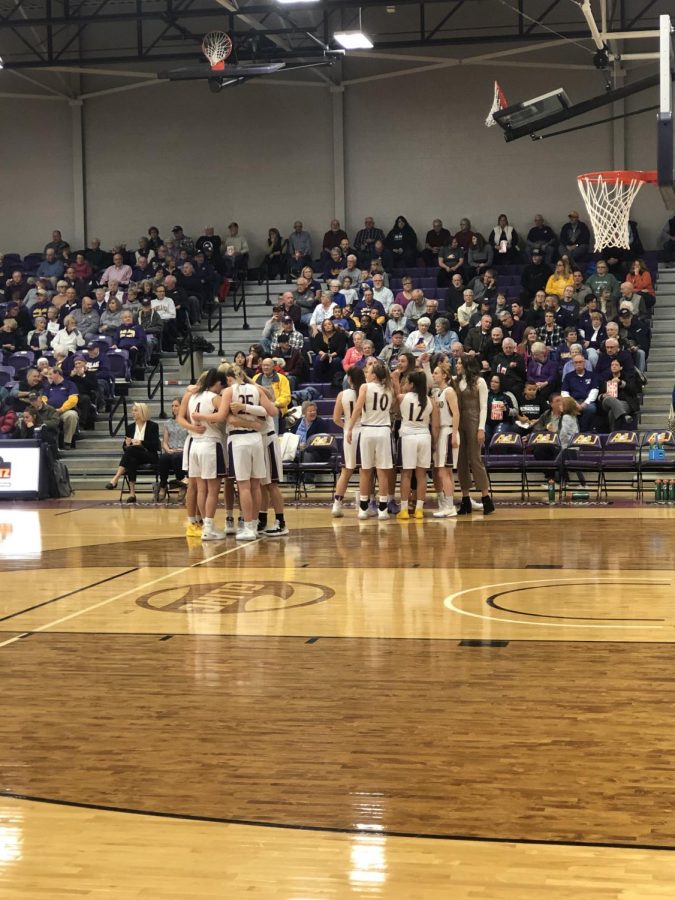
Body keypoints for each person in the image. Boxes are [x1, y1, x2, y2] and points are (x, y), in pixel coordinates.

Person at [346, 360, 395, 520]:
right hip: (384, 431)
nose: (366, 373)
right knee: (383, 472)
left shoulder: (365, 387)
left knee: (365, 471)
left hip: (367, 429)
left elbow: (358, 408)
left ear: (374, 375)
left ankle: (363, 508)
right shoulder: (389, 388)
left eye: (368, 371)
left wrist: (350, 427)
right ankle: (382, 509)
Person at [455, 354, 494, 515]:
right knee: (461, 461)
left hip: (473, 420)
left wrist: (481, 428)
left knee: (475, 459)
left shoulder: (480, 381)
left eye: (458, 363)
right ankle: (465, 499)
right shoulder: (455, 381)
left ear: (466, 365)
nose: (456, 365)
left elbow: (484, 406)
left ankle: (485, 497)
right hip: (459, 423)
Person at [396, 370, 437, 520]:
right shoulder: (430, 400)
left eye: (407, 382)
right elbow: (436, 426)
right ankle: (419, 510)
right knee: (422, 475)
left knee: (406, 475)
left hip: (408, 436)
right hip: (424, 436)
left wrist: (395, 380)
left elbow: (395, 397)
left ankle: (405, 510)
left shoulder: (402, 398)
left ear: (412, 384)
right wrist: (434, 443)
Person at [104, 402, 160, 501]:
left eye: (135, 410)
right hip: (135, 456)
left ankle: (116, 478)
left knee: (131, 452)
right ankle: (132, 494)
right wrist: (127, 444)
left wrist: (141, 443)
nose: (132, 412)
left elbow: (155, 445)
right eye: (132, 410)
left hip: (149, 455)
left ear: (142, 412)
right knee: (131, 459)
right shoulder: (130, 427)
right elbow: (124, 447)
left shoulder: (153, 426)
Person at [331, 367, 366, 517]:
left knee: (346, 471)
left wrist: (346, 426)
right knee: (366, 470)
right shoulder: (366, 392)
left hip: (349, 434)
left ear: (349, 379)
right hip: (364, 431)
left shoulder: (342, 394)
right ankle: (365, 506)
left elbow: (336, 419)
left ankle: (337, 506)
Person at [157, 397, 188, 502]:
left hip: (184, 451)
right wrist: (167, 449)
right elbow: (164, 442)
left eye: (176, 406)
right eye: (172, 406)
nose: (174, 408)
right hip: (171, 450)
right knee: (163, 458)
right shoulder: (168, 423)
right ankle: (163, 485)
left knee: (177, 457)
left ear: (182, 407)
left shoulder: (187, 422)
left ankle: (182, 484)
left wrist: (183, 449)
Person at [598, 358, 640, 431]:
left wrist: (621, 383)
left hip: (624, 402)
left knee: (612, 412)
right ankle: (624, 415)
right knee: (609, 399)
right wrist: (602, 396)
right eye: (612, 365)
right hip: (607, 402)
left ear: (621, 367)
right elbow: (598, 394)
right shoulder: (605, 378)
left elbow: (633, 391)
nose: (614, 366)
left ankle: (613, 433)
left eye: (616, 365)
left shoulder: (628, 377)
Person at [561, 353, 599, 430]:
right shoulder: (568, 376)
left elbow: (594, 390)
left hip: (587, 401)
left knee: (591, 409)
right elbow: (564, 392)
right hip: (572, 401)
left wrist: (585, 403)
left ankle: (584, 431)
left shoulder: (592, 375)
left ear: (584, 363)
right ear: (573, 364)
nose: (578, 364)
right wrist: (574, 403)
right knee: (566, 410)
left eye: (580, 362)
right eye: (576, 362)